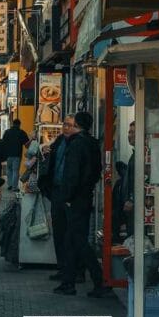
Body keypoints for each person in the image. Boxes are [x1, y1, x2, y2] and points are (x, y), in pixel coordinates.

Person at [54, 113, 112, 298]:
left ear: (77, 124)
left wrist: (67, 197)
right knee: (71, 240)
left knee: (78, 240)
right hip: (85, 196)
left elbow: (72, 174)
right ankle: (68, 282)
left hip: (75, 200)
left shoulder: (76, 144)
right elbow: (96, 171)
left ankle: (100, 280)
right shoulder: (93, 143)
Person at [39, 115, 75, 281]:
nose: (66, 128)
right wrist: (46, 151)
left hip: (72, 195)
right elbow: (50, 156)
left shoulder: (78, 144)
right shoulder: (59, 141)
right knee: (59, 232)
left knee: (72, 235)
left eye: (70, 125)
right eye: (65, 125)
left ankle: (74, 270)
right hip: (57, 191)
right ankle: (62, 268)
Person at [2, 118, 30, 191]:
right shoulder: (21, 132)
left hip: (8, 155)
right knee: (15, 171)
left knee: (9, 170)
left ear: (12, 124)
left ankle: (10, 185)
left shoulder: (7, 132)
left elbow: (3, 143)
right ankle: (14, 187)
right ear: (19, 125)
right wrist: (32, 140)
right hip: (17, 155)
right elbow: (27, 145)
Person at [121, 121, 136, 238]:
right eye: (129, 132)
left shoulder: (139, 156)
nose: (129, 135)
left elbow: (137, 180)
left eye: (132, 132)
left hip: (135, 205)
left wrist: (132, 199)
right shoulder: (134, 155)